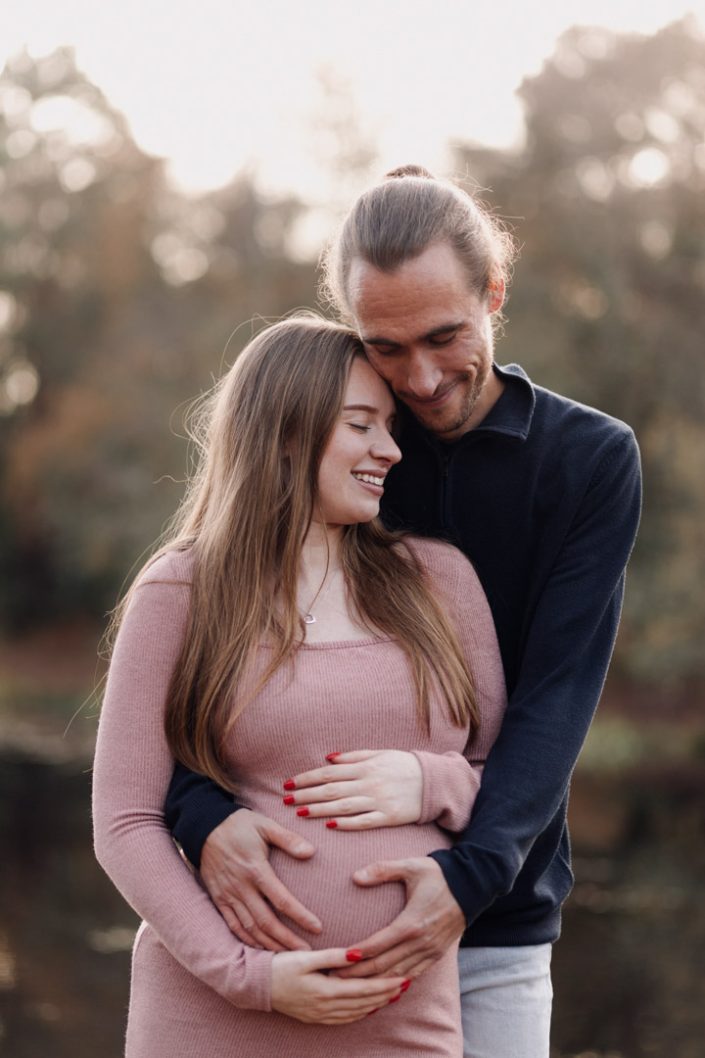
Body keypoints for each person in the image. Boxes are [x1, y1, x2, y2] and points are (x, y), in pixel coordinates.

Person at [164, 167, 643, 1058]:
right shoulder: (347, 442)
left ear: (494, 292)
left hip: (496, 921)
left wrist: (466, 880)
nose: (420, 380)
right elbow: (209, 644)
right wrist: (202, 816)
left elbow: (554, 699)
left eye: (444, 335)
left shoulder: (589, 460)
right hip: (288, 949)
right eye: (384, 346)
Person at [92, 315, 508, 1057]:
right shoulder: (182, 589)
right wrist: (249, 975)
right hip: (216, 1015)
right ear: (286, 433)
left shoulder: (437, 579)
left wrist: (434, 781)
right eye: (361, 425)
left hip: (402, 1022)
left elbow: (509, 782)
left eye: (389, 426)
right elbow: (124, 821)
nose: (389, 448)